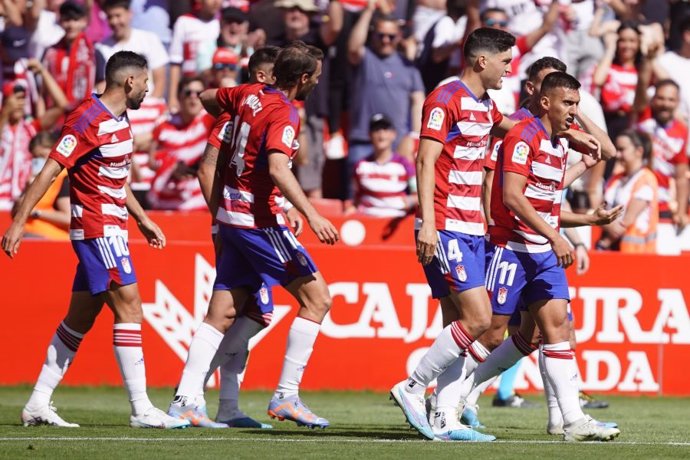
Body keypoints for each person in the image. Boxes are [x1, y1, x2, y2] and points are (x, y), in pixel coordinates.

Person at [2, 51, 188, 429]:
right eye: (146, 84)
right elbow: (51, 170)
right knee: (130, 307)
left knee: (80, 318)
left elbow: (117, 178)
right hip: (97, 227)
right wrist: (18, 222)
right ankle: (141, 409)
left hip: (114, 224)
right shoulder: (88, 119)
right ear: (129, 82)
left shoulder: (120, 121)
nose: (148, 91)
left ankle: (37, 403)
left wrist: (142, 218)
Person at [168, 41, 339, 430]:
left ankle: (186, 399)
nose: (316, 83)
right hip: (258, 219)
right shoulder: (285, 113)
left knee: (224, 313)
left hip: (231, 215)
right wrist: (312, 214)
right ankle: (286, 395)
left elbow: (210, 96)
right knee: (317, 299)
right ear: (302, 78)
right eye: (315, 77)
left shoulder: (247, 94)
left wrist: (236, 118)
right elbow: (279, 169)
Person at [389, 27, 518, 443]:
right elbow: (424, 162)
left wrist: (568, 128)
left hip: (470, 228)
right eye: (505, 61)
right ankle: (411, 387)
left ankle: (444, 417)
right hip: (443, 224)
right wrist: (427, 221)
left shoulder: (485, 104)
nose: (508, 69)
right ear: (482, 61)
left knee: (457, 325)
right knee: (479, 318)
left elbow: (513, 128)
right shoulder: (445, 98)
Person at [477, 71, 621, 442]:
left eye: (577, 102)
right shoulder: (520, 132)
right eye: (568, 102)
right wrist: (557, 236)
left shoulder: (556, 140)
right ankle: (443, 393)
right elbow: (509, 193)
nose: (574, 109)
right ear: (540, 96)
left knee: (552, 329)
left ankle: (569, 420)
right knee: (489, 332)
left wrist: (587, 219)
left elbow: (553, 195)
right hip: (511, 244)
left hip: (540, 247)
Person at [194, 46, 285, 429]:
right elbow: (205, 170)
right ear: (262, 77)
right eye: (276, 74)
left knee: (251, 313)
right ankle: (190, 389)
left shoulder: (266, 114)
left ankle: (227, 405)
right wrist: (220, 223)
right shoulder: (233, 119)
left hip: (249, 221)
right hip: (236, 224)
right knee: (251, 311)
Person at [633, 42, 689, 229]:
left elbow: (681, 176)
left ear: (677, 102)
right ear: (653, 98)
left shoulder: (682, 130)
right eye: (661, 98)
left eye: (671, 100)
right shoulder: (643, 115)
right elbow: (641, 85)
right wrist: (648, 61)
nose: (665, 103)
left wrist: (681, 211)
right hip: (632, 198)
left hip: (662, 203)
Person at [147, 76, 215, 211]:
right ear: (179, 97)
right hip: (166, 203)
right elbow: (152, 160)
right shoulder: (164, 123)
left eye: (199, 93)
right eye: (188, 93)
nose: (193, 97)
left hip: (198, 204)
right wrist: (172, 166)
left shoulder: (210, 121)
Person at [598, 130, 659, 253]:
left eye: (622, 149)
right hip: (614, 250)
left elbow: (624, 224)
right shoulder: (615, 178)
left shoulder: (646, 179)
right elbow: (599, 210)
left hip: (636, 253)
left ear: (639, 151)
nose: (618, 155)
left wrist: (603, 243)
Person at [95, 0, 169, 100]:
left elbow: (160, 80)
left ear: (130, 13)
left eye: (118, 15)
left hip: (149, 106)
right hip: (118, 110)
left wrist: (151, 104)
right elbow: (102, 86)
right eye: (110, 17)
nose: (114, 21)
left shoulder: (150, 40)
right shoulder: (100, 48)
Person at [349, 113, 417, 217]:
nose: (381, 134)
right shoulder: (360, 166)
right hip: (368, 220)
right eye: (376, 130)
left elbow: (417, 195)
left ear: (393, 134)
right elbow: (357, 198)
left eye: (385, 129)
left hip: (396, 221)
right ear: (369, 135)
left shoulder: (404, 165)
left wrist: (410, 201)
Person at [41, 1, 95, 108]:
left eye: (75, 20)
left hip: (85, 115)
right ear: (60, 22)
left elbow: (100, 85)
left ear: (84, 22)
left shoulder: (92, 52)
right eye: (66, 20)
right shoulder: (50, 52)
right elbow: (43, 92)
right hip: (55, 116)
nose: (71, 25)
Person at [18, 131, 70, 240]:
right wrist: (29, 189)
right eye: (35, 158)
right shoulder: (32, 179)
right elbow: (15, 213)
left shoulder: (63, 179)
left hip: (50, 239)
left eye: (42, 156)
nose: (39, 161)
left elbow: (68, 218)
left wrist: (36, 213)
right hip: (27, 234)